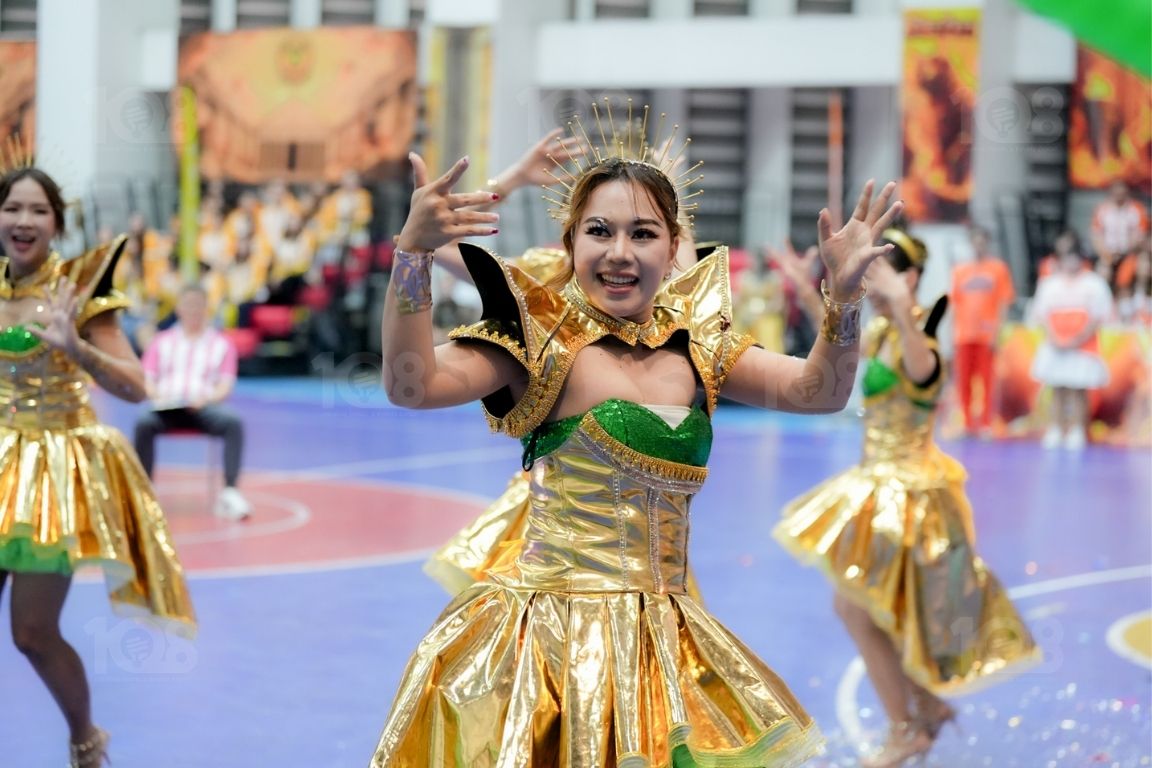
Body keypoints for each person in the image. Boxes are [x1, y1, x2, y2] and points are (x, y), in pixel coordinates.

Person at [370, 113, 902, 764]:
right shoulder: (541, 342)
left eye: (642, 233)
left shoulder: (700, 349)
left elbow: (820, 392)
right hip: (549, 653)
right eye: (599, 231)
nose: (619, 252)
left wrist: (843, 301)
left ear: (673, 248)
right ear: (570, 243)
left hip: (661, 650)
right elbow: (412, 384)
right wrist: (412, 257)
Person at [773, 229, 1042, 767]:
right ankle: (924, 708)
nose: (868, 282)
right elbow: (839, 345)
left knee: (857, 607)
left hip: (911, 501)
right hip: (877, 490)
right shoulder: (879, 332)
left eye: (878, 272)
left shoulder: (922, 338)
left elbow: (925, 375)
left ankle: (906, 727)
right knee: (870, 608)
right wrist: (807, 288)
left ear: (910, 278)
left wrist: (900, 305)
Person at [0, 167, 196, 767]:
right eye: (12, 208)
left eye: (38, 210)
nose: (23, 221)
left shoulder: (78, 290)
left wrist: (76, 347)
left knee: (32, 632)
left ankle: (86, 740)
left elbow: (137, 386)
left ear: (56, 223)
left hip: (50, 476)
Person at [133, 283, 250, 519]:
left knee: (233, 422)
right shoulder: (161, 342)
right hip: (167, 408)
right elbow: (147, 380)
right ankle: (144, 492)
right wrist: (158, 396)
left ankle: (230, 491)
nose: (193, 310)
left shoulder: (221, 344)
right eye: (188, 305)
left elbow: (225, 385)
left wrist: (207, 399)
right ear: (179, 308)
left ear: (206, 308)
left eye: (198, 305)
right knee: (143, 423)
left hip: (203, 408)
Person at [1029, 229, 1113, 450]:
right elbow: (1041, 314)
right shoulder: (1049, 283)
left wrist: (1078, 339)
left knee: (1078, 390)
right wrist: (1055, 338)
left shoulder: (1094, 283)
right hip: (1055, 345)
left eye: (1074, 256)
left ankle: (1077, 429)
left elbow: (1099, 316)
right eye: (1066, 257)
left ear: (1081, 258)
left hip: (1082, 346)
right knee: (1057, 388)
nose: (1070, 262)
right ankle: (1056, 428)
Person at [949, 225, 1015, 437]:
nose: (978, 246)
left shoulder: (998, 269)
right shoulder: (960, 271)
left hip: (987, 335)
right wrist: (952, 333)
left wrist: (998, 332)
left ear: (987, 243)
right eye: (975, 242)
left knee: (987, 381)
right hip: (964, 335)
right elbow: (954, 304)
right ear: (971, 244)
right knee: (964, 381)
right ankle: (967, 423)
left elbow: (1004, 302)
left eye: (982, 242)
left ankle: (986, 423)